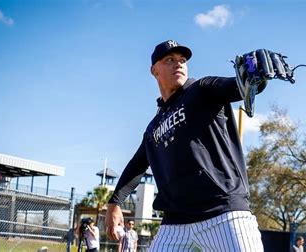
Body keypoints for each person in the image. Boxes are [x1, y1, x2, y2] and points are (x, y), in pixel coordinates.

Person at [105, 39, 268, 251]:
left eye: (182, 60)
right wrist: (114, 202)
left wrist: (254, 78)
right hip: (175, 225)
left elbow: (236, 86)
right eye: (170, 60)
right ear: (154, 70)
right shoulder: (154, 127)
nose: (178, 64)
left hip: (224, 214)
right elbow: (137, 165)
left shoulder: (202, 89)